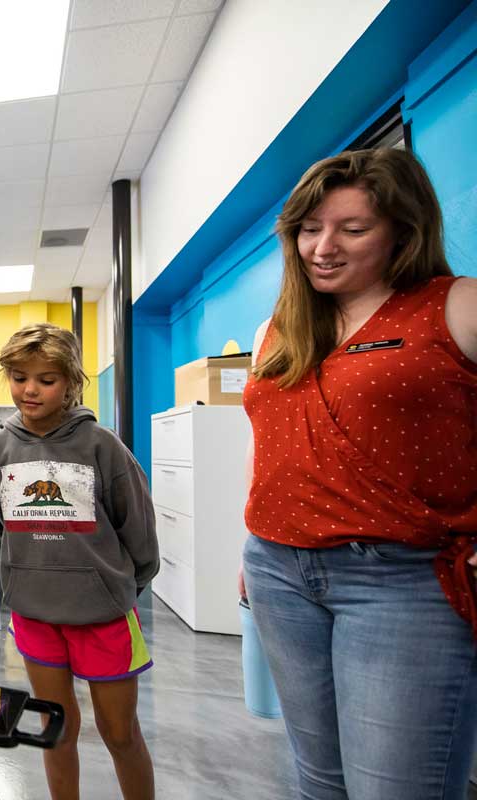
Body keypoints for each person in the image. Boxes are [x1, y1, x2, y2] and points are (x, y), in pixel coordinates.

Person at [240, 147, 477, 799]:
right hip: (277, 571)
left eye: (352, 229)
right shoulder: (276, 329)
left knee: (396, 788)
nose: (323, 248)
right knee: (319, 780)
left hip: (401, 583)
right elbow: (270, 439)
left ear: (403, 230)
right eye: (310, 229)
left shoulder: (454, 306)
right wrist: (251, 539)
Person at [0, 323, 159, 800]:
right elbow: (7, 520)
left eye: (46, 379)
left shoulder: (102, 446)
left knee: (119, 733)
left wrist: (111, 587)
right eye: (19, 377)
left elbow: (139, 534)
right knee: (55, 729)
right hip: (35, 614)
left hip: (102, 616)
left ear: (71, 382)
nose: (30, 390)